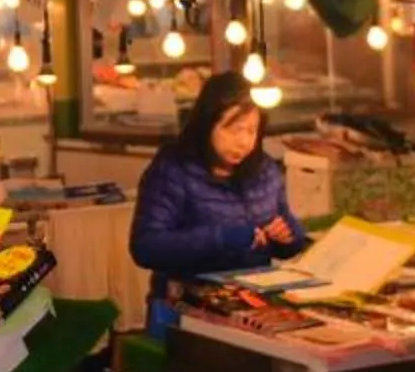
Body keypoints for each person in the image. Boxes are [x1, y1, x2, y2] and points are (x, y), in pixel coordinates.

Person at [128, 70, 307, 323]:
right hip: (183, 307)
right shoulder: (174, 168)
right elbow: (146, 247)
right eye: (233, 130)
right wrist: (224, 237)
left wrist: (289, 236)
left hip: (254, 306)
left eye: (251, 131)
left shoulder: (265, 170)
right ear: (208, 123)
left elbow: (288, 231)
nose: (244, 142)